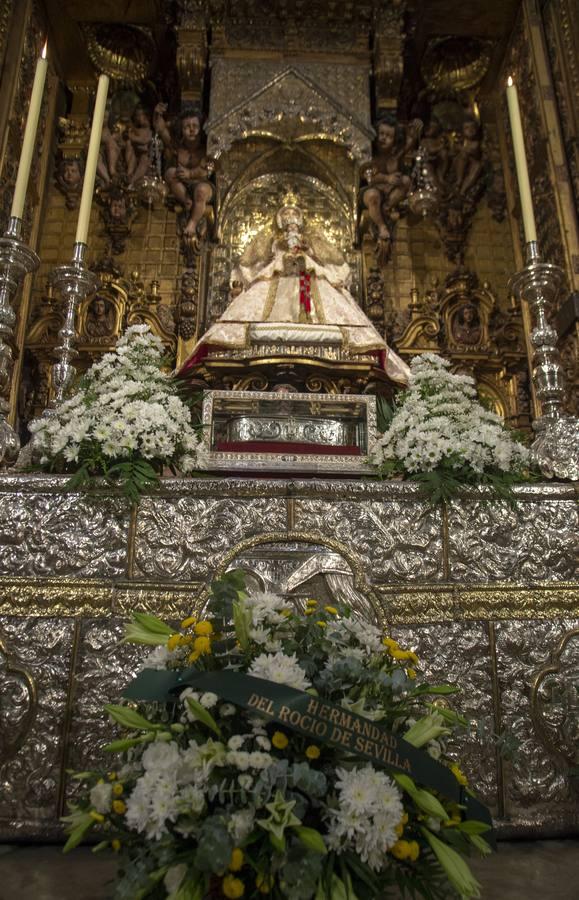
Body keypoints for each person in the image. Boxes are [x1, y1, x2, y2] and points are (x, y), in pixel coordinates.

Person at [179, 197, 410, 385]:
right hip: (278, 279)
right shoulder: (272, 239)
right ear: (280, 220)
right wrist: (248, 276)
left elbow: (332, 261)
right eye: (286, 216)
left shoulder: (311, 239)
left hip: (307, 281)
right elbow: (253, 262)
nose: (291, 219)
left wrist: (306, 252)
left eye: (294, 215)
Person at [153, 103, 214, 237]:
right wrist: (157, 114)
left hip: (202, 184)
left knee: (201, 191)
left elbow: (207, 170)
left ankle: (192, 223)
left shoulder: (207, 148)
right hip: (183, 186)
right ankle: (187, 202)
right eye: (187, 127)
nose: (191, 130)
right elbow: (162, 131)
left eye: (195, 126)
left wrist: (190, 173)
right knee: (170, 173)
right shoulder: (177, 147)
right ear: (181, 129)